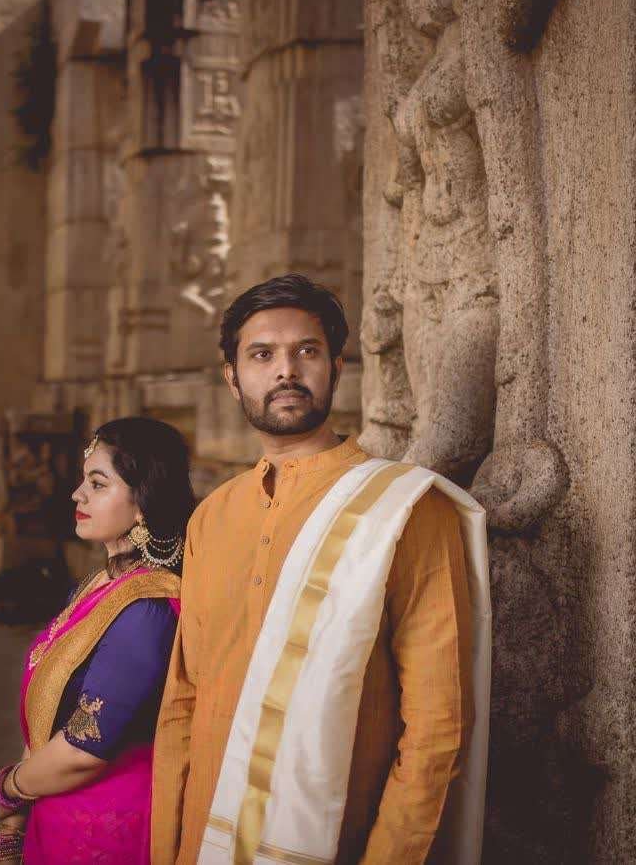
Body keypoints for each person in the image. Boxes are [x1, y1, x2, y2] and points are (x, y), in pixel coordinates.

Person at [151, 274, 491, 865]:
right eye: (262, 355)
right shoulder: (211, 518)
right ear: (233, 377)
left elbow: (438, 726)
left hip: (335, 841)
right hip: (206, 839)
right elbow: (184, 699)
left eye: (305, 351)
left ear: (335, 368)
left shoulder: (405, 509)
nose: (286, 371)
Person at [0, 416, 196, 864]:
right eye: (84, 481)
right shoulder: (101, 584)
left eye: (98, 484)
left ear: (143, 503)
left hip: (104, 827)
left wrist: (10, 787)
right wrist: (14, 821)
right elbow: (52, 706)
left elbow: (85, 748)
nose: (77, 494)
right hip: (57, 804)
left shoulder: (147, 610)